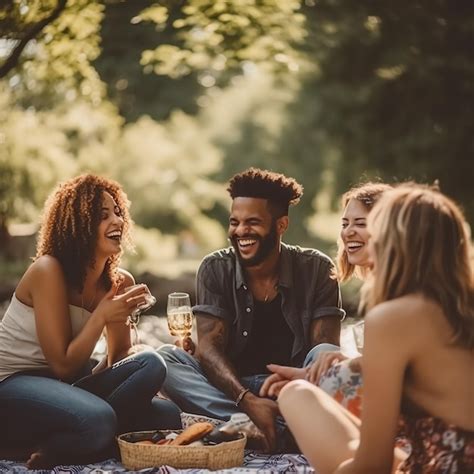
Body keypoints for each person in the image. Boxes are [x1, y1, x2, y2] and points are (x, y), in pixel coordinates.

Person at [277, 184, 474, 473]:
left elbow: (373, 466)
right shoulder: (460, 307)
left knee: (295, 397)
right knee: (298, 393)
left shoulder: (393, 318)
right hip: (444, 455)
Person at [0, 174, 181, 469]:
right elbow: (62, 364)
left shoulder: (119, 282)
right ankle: (48, 446)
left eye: (118, 212)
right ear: (78, 226)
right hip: (11, 386)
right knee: (100, 418)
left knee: (161, 393)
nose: (117, 222)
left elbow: (117, 358)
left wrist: (124, 340)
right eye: (102, 216)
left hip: (64, 387)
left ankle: (84, 436)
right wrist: (102, 316)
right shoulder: (48, 271)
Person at [159, 167, 345, 452]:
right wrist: (247, 399)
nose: (240, 231)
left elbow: (325, 352)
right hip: (232, 390)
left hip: (292, 390)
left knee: (325, 356)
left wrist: (288, 392)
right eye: (234, 222)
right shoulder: (214, 268)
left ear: (281, 225)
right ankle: (279, 427)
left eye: (252, 222)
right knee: (165, 360)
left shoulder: (317, 269)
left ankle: (246, 428)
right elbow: (209, 348)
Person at [261, 182, 391, 417]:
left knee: (304, 388)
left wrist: (342, 368)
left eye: (360, 223)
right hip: (388, 407)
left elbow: (394, 380)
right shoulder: (379, 291)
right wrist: (315, 373)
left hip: (405, 420)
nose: (348, 231)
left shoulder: (400, 297)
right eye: (345, 223)